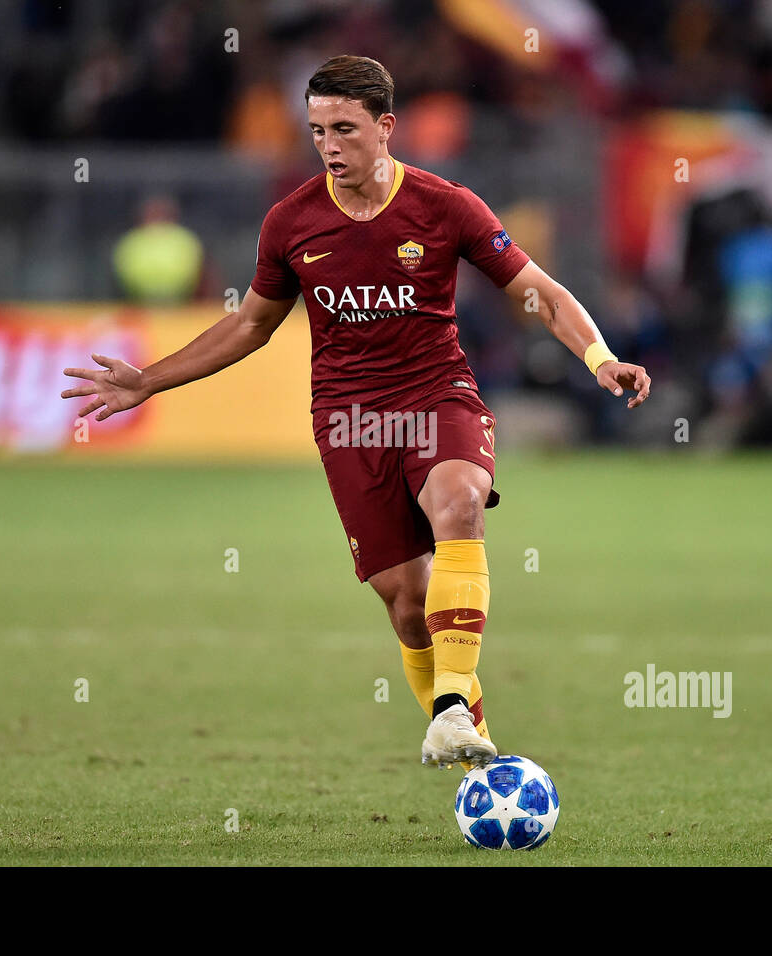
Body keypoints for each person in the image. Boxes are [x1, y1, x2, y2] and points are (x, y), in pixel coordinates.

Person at [62, 56, 650, 769]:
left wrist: (600, 358)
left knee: (460, 502)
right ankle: (464, 740)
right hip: (350, 421)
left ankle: (455, 706)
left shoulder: (445, 205)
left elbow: (543, 294)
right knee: (407, 601)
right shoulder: (291, 223)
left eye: (344, 128)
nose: (330, 145)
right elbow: (251, 326)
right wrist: (148, 381)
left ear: (386, 127)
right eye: (317, 131)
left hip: (438, 395)